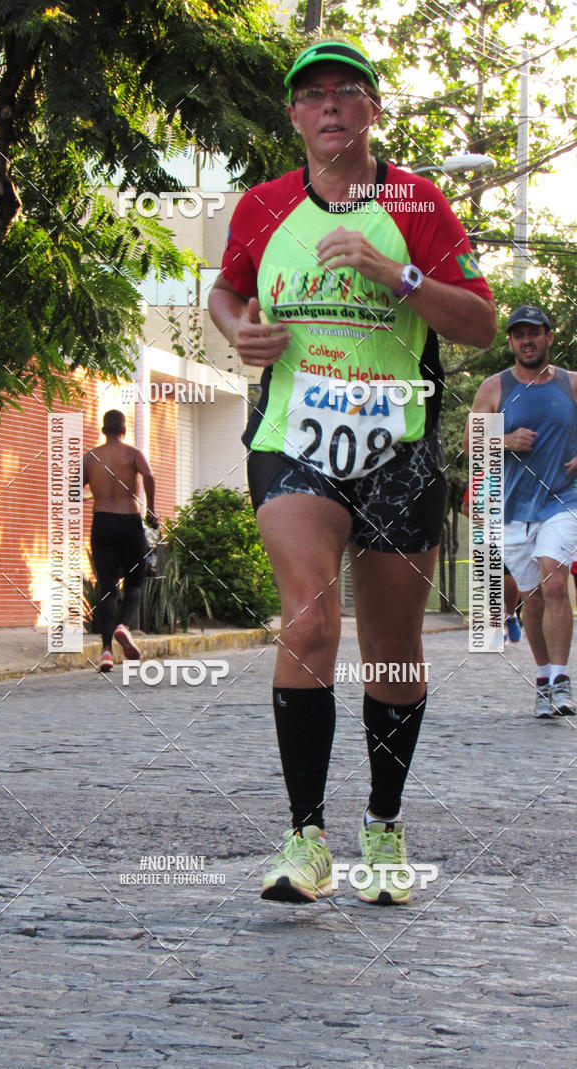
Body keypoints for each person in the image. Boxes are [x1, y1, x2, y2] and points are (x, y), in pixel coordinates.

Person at [209, 39, 496, 905]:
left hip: (399, 447)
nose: (329, 105)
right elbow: (226, 290)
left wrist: (397, 274)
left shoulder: (417, 202)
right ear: (294, 115)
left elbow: (480, 324)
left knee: (395, 652)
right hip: (295, 437)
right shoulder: (262, 206)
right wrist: (235, 329)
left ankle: (384, 820)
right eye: (312, 95)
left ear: (373, 110)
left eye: (347, 92)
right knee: (308, 620)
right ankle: (305, 836)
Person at [463, 305, 577, 717]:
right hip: (513, 509)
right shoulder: (494, 388)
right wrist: (506, 440)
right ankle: (544, 678)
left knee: (553, 580)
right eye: (519, 335)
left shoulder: (571, 384)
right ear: (510, 342)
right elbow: (469, 446)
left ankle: (561, 681)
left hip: (564, 502)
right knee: (531, 596)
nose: (527, 340)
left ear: (549, 337)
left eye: (535, 333)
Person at [83, 409, 159, 672]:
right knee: (135, 581)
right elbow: (149, 475)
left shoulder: (90, 457)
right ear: (124, 430)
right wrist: (150, 509)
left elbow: (73, 489)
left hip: (102, 523)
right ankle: (123, 626)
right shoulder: (133, 454)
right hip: (128, 522)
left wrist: (92, 495)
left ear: (104, 430)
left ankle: (105, 652)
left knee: (106, 588)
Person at [461, 479, 522, 643]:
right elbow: (465, 507)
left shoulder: (516, 473)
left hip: (509, 538)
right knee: (492, 586)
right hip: (483, 541)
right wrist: (481, 519)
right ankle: (499, 629)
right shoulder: (479, 479)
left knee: (509, 581)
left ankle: (510, 615)